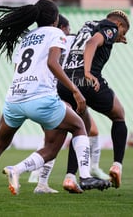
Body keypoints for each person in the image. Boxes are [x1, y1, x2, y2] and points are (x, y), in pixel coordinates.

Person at [0, 0, 110, 200]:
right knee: (78, 126)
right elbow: (52, 63)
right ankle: (84, 177)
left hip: (14, 99)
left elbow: (18, 70)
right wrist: (75, 90)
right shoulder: (57, 34)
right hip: (40, 99)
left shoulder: (26, 38)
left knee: (0, 143)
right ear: (56, 19)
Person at [29, 14, 109, 194]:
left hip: (41, 92)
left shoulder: (44, 43)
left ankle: (42, 181)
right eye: (68, 28)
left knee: (54, 139)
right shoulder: (65, 39)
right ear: (61, 27)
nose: (70, 31)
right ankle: (80, 175)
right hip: (64, 92)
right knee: (75, 133)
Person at [57, 10, 130, 191]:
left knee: (80, 127)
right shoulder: (111, 27)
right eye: (123, 33)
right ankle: (117, 166)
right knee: (119, 115)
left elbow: (86, 40)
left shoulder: (89, 25)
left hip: (66, 82)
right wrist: (88, 73)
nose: (120, 36)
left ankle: (69, 177)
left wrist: (114, 40)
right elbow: (91, 43)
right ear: (119, 25)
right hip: (86, 81)